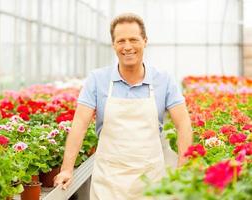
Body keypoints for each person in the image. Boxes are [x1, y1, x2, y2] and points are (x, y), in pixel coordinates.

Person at [54, 13, 193, 199]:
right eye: (121, 41)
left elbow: (183, 124)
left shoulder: (164, 80)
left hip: (151, 181)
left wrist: (182, 170)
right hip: (109, 181)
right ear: (113, 45)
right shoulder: (97, 79)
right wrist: (66, 169)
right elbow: (79, 124)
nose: (127, 47)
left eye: (133, 39)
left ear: (145, 41)